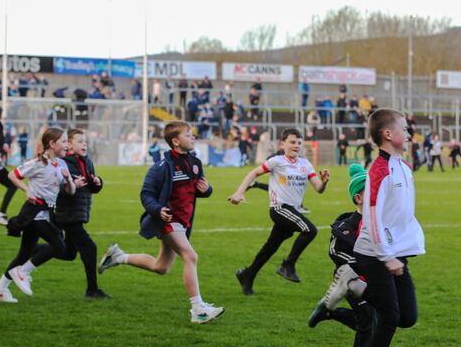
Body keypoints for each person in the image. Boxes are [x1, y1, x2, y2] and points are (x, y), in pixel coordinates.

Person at [97, 121, 225, 324]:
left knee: (161, 267)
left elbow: (198, 190)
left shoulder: (195, 163)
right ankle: (198, 309)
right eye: (188, 134)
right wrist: (158, 210)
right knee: (190, 256)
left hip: (183, 223)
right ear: (175, 141)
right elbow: (146, 195)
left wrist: (207, 190)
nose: (193, 137)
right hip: (167, 221)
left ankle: (118, 257)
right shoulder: (161, 167)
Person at [352, 108, 424, 347]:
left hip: (396, 254)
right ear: (388, 134)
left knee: (407, 316)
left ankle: (358, 289)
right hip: (375, 253)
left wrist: (406, 248)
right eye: (404, 128)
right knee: (391, 315)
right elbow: (372, 217)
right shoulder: (378, 171)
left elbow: (403, 216)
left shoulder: (404, 167)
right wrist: (386, 255)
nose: (409, 133)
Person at [229, 128, 329, 295]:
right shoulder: (277, 161)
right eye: (292, 142)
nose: (296, 145)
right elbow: (253, 173)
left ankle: (248, 274)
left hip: (292, 211)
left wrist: (324, 182)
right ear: (282, 144)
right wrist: (239, 193)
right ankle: (288, 265)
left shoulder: (306, 164)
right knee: (310, 230)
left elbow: (318, 188)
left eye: (298, 142)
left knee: (270, 247)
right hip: (279, 208)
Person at [0, 127, 81, 303]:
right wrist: (27, 190)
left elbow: (71, 191)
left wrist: (68, 179)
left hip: (46, 212)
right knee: (59, 245)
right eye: (63, 142)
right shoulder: (38, 163)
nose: (66, 145)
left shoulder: (62, 164)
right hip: (33, 212)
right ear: (52, 144)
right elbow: (12, 175)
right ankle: (23, 271)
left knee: (24, 254)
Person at [307, 163, 374, 347]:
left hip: (374, 279)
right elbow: (335, 252)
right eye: (371, 190)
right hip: (350, 280)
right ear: (358, 198)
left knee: (371, 322)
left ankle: (330, 312)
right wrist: (360, 265)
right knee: (367, 321)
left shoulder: (379, 221)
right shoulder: (345, 225)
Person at [30, 129, 110, 299]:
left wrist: (97, 182)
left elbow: (91, 187)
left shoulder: (87, 162)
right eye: (80, 141)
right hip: (66, 214)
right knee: (90, 247)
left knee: (68, 253)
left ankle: (33, 249)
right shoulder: (63, 163)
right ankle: (92, 290)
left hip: (78, 213)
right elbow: (58, 186)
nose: (85, 144)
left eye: (85, 141)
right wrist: (71, 184)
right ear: (69, 146)